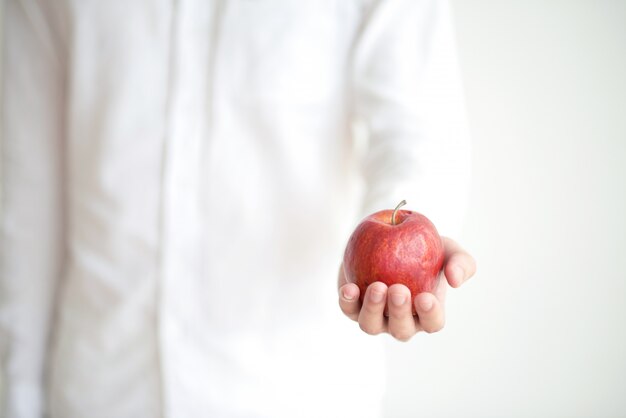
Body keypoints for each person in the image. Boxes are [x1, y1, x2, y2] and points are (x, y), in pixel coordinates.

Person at [0, 0, 476, 417]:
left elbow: (417, 134)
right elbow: (26, 202)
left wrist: (404, 261)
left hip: (294, 393)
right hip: (99, 388)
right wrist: (17, 398)